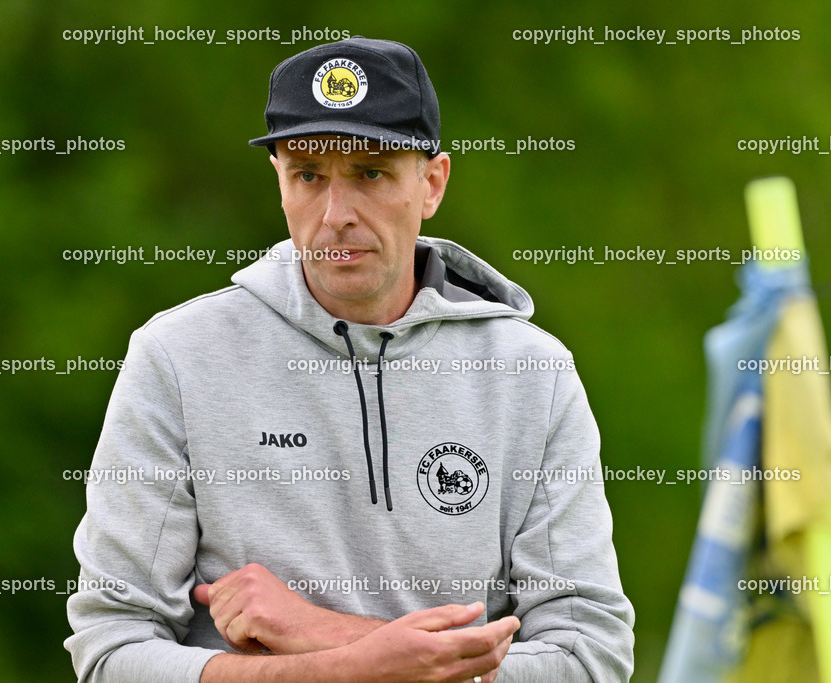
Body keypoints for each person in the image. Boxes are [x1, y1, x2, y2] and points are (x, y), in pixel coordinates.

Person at [65, 36, 635, 683]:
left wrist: (323, 633)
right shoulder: (176, 357)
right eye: (309, 175)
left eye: (370, 173)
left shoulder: (534, 373)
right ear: (279, 180)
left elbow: (591, 655)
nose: (336, 215)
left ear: (432, 183)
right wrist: (339, 669)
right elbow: (110, 650)